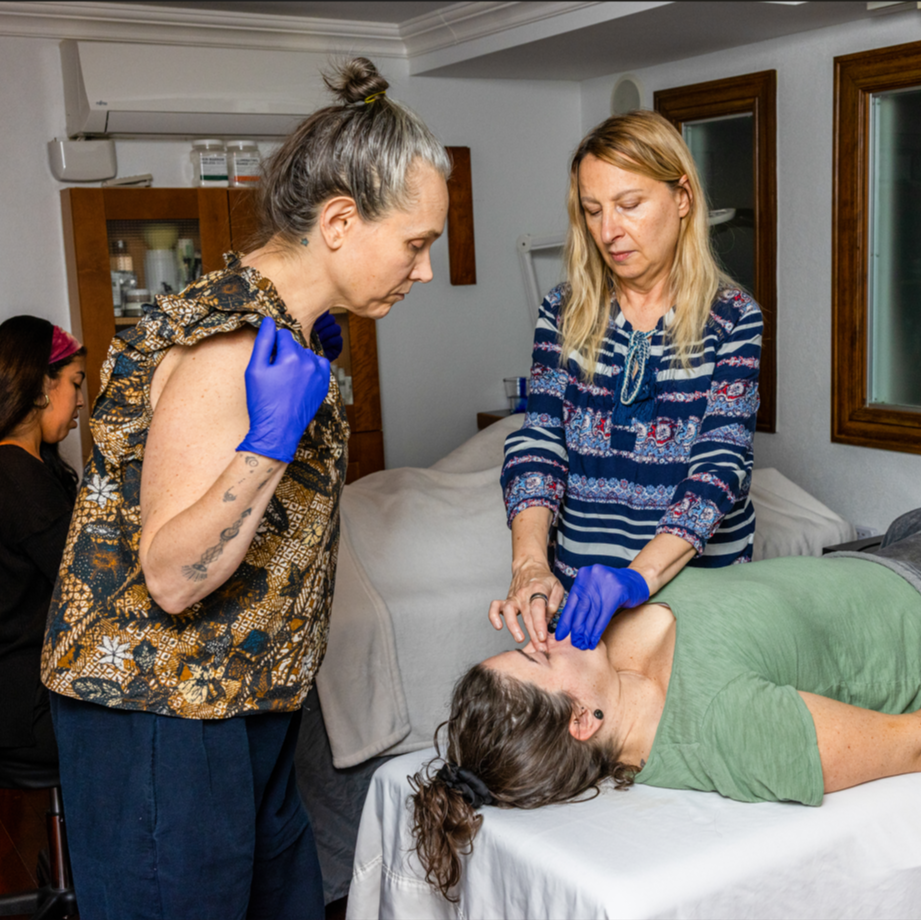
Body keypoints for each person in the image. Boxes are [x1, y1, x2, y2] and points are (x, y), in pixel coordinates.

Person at [40, 58, 450, 920]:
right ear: (340, 220)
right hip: (165, 710)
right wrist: (269, 442)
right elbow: (170, 575)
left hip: (244, 702)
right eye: (415, 243)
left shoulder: (288, 329)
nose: (423, 270)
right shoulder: (230, 341)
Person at [413, 514, 921, 899]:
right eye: (538, 656)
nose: (542, 633)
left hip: (882, 550)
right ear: (582, 720)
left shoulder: (602, 641)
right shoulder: (726, 724)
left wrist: (563, 573)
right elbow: (911, 745)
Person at [491, 110, 762, 654]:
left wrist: (638, 577)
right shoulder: (562, 312)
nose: (608, 231)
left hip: (693, 598)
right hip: (579, 595)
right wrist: (530, 566)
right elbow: (540, 444)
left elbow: (720, 465)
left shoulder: (732, 318)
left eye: (629, 204)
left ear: (682, 197)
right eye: (593, 211)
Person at [0, 316, 84, 776]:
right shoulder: (19, 476)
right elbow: (88, 585)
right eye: (75, 382)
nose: (81, 400)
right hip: (26, 711)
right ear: (39, 388)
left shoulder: (23, 469)